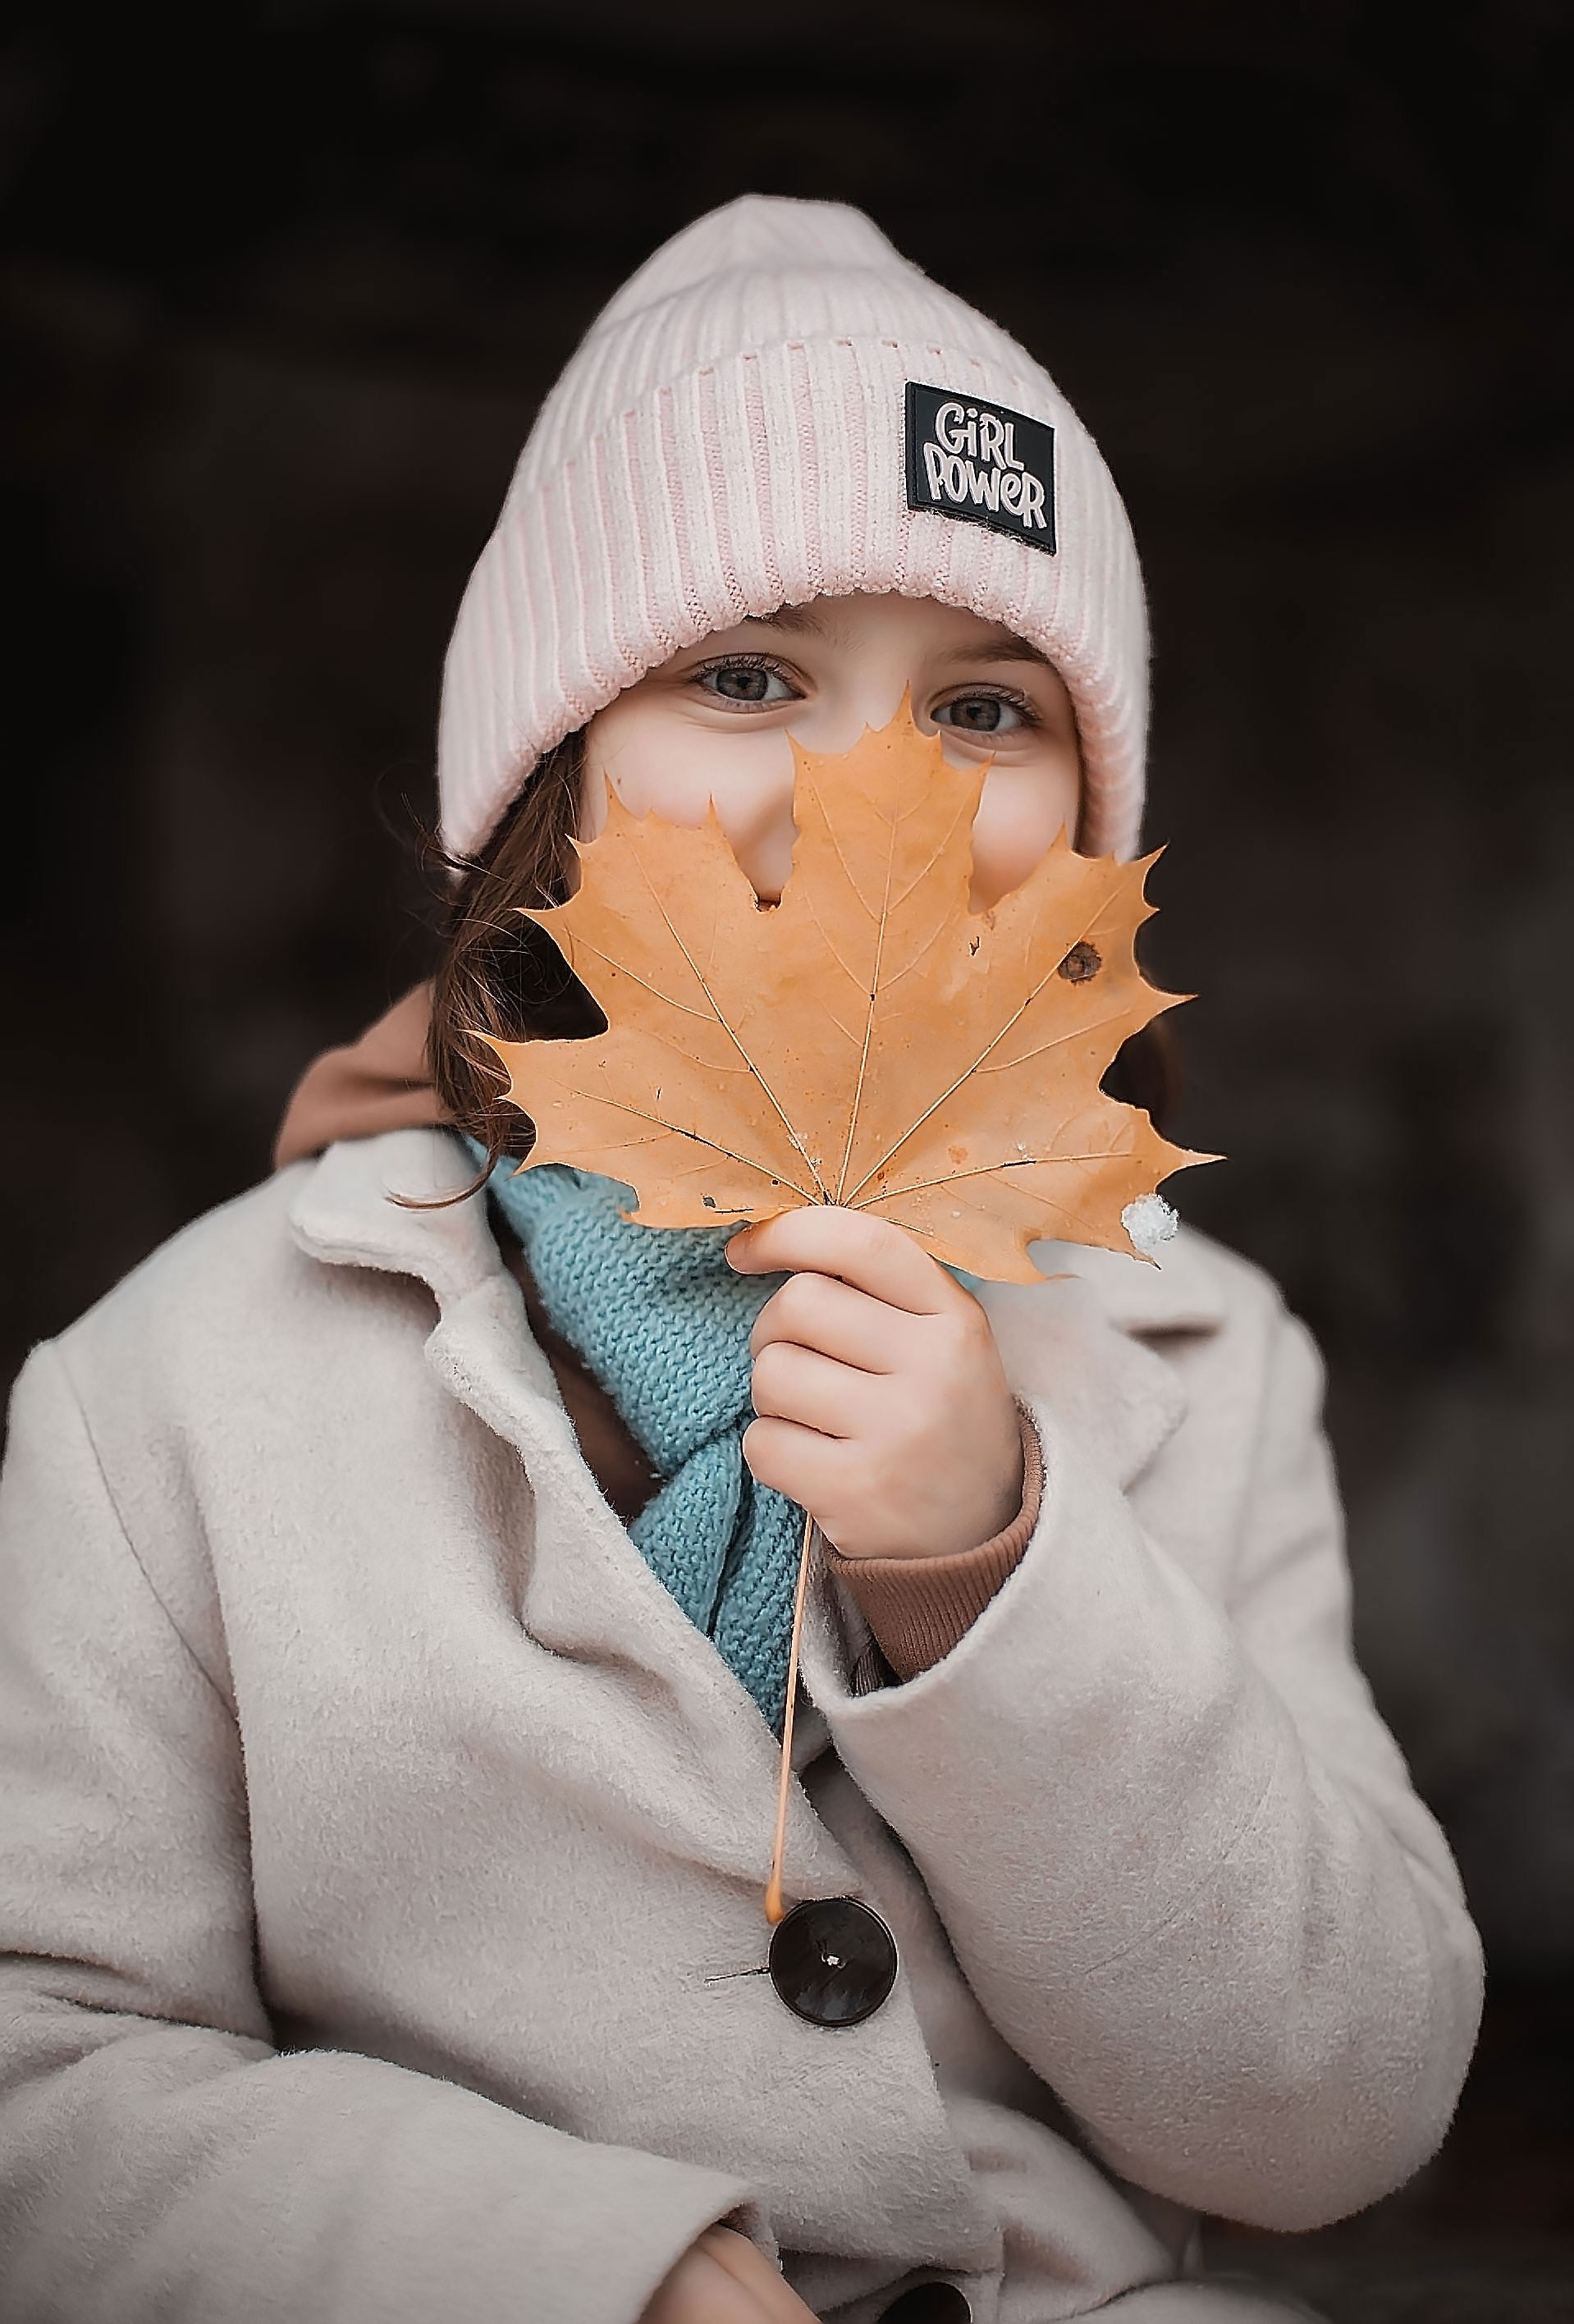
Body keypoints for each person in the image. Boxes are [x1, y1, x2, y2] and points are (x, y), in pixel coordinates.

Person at [0, 196, 1482, 2324]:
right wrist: (592, 2273)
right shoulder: (175, 1398)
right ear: (549, 785)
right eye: (748, 671)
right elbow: (40, 2089)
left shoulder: (1204, 1349)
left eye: (986, 710)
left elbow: (1342, 2109)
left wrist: (993, 1564)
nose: (865, 783)